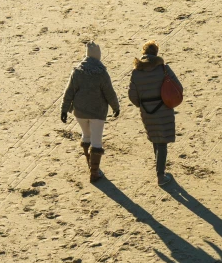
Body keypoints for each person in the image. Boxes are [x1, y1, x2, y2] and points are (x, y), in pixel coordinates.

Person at [60, 41, 120, 183]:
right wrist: (116, 107)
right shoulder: (102, 73)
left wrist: (64, 109)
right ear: (98, 56)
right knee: (96, 141)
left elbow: (69, 92)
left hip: (80, 112)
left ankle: (89, 163)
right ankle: (94, 172)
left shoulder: (77, 71)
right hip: (97, 112)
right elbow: (109, 93)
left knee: (86, 135)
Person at [128, 40, 183, 186]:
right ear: (156, 53)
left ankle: (160, 168)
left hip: (147, 110)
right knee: (162, 141)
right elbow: (178, 87)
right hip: (163, 108)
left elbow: (132, 95)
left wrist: (142, 104)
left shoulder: (136, 72)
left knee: (155, 137)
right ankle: (160, 176)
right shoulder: (164, 69)